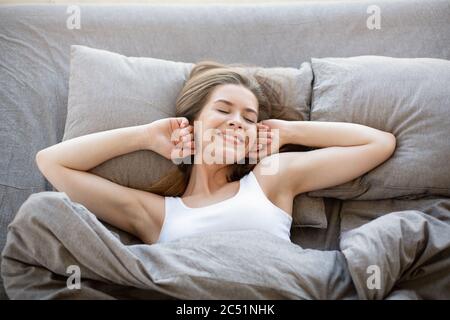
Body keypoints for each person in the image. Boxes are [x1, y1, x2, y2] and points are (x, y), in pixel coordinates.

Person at [35, 61, 396, 245]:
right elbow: (51, 162)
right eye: (223, 110)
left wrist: (287, 131)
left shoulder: (272, 179)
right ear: (192, 122)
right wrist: (144, 136)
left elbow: (378, 144)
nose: (237, 122)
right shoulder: (155, 214)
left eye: (249, 118)